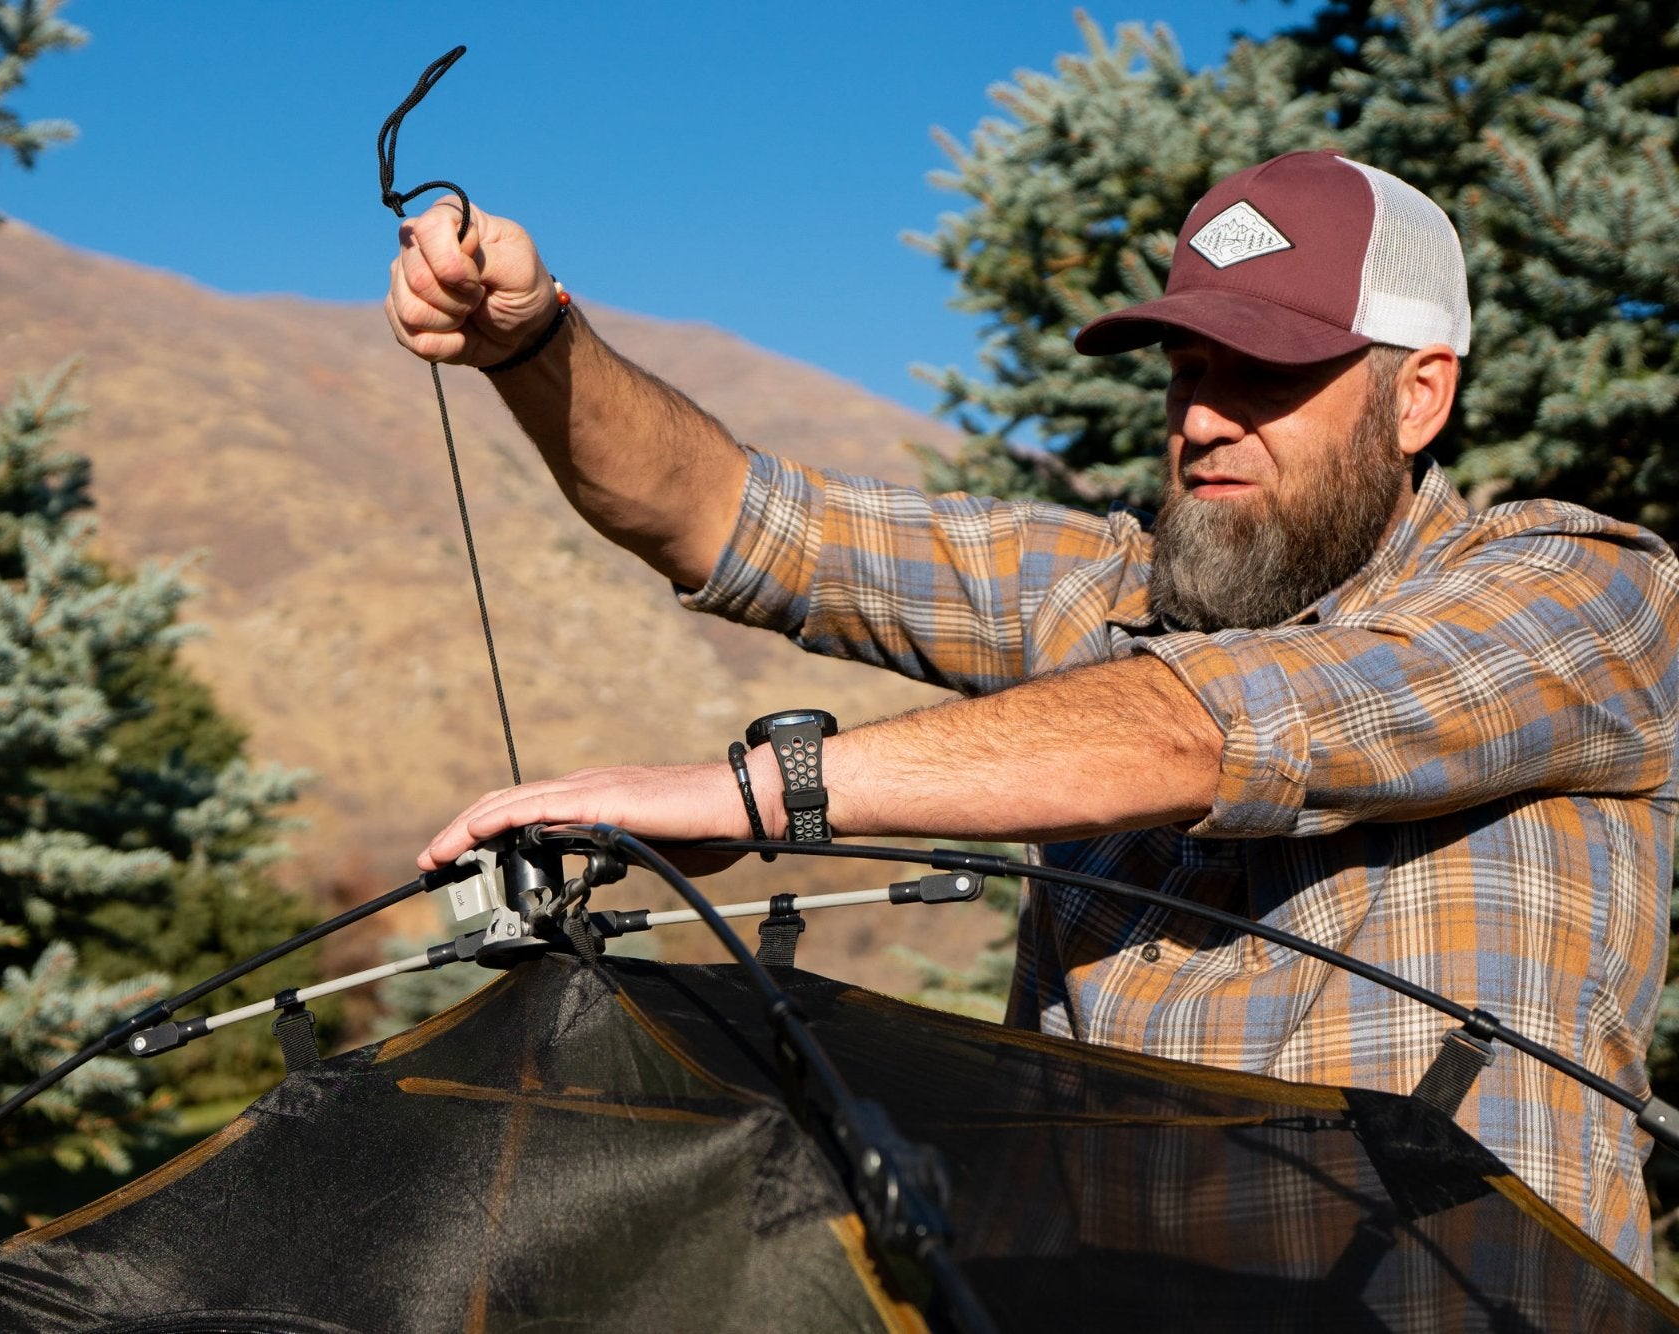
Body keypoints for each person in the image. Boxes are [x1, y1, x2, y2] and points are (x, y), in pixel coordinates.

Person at [386, 150, 1679, 1272]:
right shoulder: (1104, 600)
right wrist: (534, 344)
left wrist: (764, 791)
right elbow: (740, 518)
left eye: (1269, 372)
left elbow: (1221, 723)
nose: (1206, 418)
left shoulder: (1588, 597)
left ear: (1421, 396)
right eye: (1188, 367)